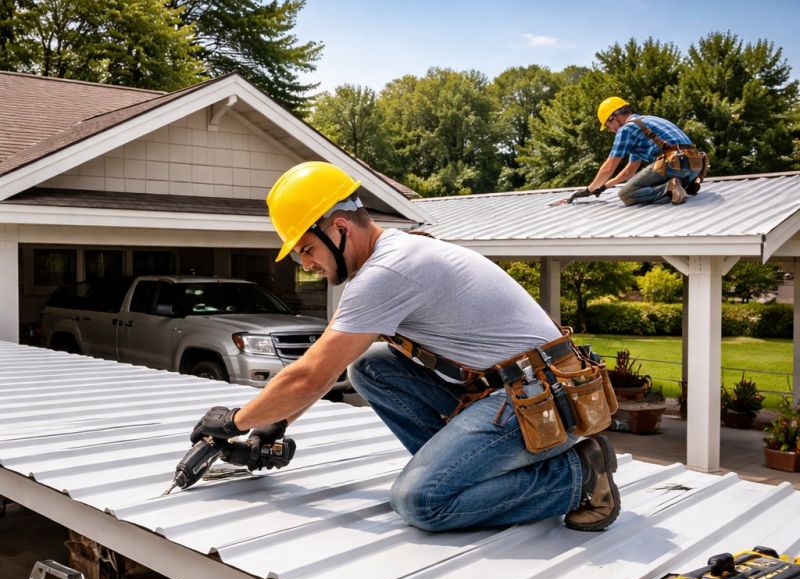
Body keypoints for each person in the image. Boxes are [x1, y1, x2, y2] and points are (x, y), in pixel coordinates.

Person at [190, 161, 621, 533]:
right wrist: (275, 423)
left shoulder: (387, 273)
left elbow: (310, 374)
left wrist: (235, 421)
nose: (305, 264)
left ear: (339, 228)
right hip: (516, 391)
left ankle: (578, 474)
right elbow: (329, 366)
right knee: (372, 366)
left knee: (421, 502)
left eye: (306, 249)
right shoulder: (395, 254)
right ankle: (467, 471)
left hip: (542, 399)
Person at [568, 96, 708, 207]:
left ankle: (669, 188)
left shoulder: (626, 129)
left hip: (673, 164)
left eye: (608, 125)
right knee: (652, 178)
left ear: (614, 117)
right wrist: (603, 187)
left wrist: (589, 190)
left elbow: (609, 167)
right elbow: (630, 170)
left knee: (626, 193)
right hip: (695, 166)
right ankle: (682, 185)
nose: (611, 130)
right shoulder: (646, 122)